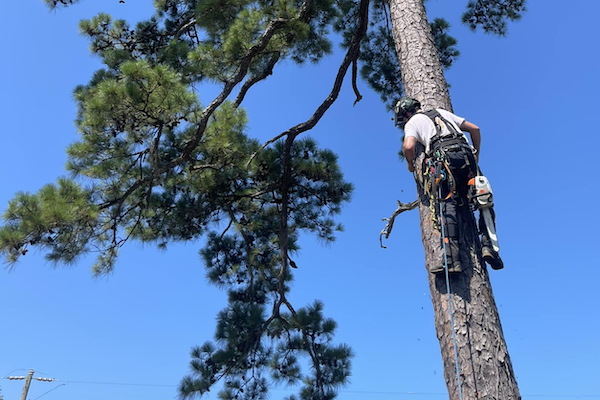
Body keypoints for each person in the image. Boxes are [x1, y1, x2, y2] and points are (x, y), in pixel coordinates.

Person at [394, 96, 503, 273]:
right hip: (466, 157)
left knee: (447, 203)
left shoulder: (412, 122)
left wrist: (410, 163)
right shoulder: (442, 113)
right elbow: (475, 129)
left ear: (406, 113)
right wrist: (476, 154)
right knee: (483, 198)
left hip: (443, 159)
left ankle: (452, 261)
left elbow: (408, 147)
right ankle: (489, 246)